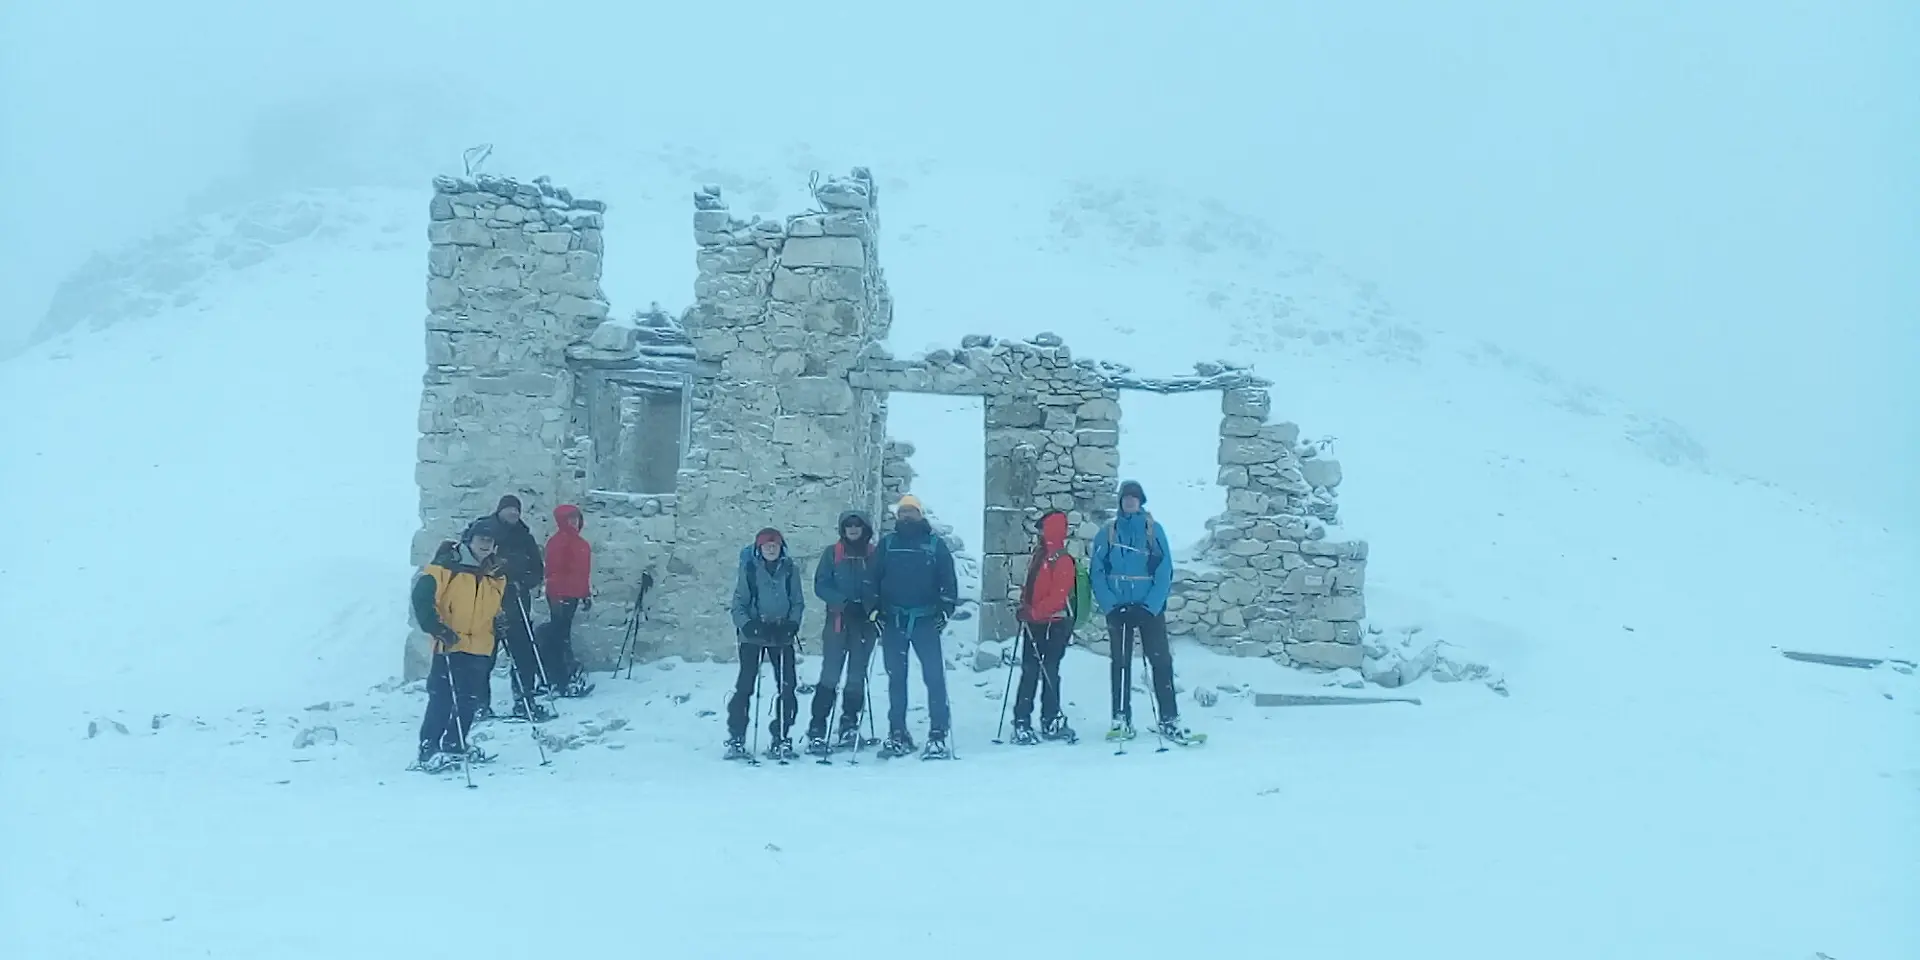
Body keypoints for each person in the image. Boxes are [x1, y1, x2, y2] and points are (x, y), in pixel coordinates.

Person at [1090, 480, 1195, 743]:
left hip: (1149, 609)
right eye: (1126, 497)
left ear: (1141, 501)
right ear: (1120, 501)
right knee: (1121, 664)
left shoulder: (1153, 531)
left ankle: (1169, 718)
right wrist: (1111, 606)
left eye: (1134, 497)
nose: (1130, 501)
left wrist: (1150, 607)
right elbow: (1097, 571)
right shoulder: (1108, 533)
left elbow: (1164, 570)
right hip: (1119, 609)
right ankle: (1121, 718)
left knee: (1160, 662)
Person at [410, 524, 508, 771]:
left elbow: (493, 608)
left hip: (480, 646)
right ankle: (428, 748)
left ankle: (454, 743)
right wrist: (436, 628)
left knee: (469, 700)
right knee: (442, 697)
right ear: (468, 540)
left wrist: (500, 622)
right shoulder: (446, 568)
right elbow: (422, 596)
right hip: (449, 643)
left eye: (490, 541)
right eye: (480, 539)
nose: (485, 545)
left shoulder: (495, 576)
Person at [871, 494, 960, 759]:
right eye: (902, 512)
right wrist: (874, 609)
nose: (906, 516)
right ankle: (898, 733)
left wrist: (945, 610)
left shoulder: (935, 545)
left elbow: (948, 581)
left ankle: (938, 735)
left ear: (920, 515)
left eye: (911, 512)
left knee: (934, 678)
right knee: (896, 679)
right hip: (894, 621)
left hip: (925, 621)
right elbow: (872, 580)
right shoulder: (887, 545)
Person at [467, 495, 551, 722]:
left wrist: (523, 582)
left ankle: (525, 701)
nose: (513, 513)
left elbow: (537, 569)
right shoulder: (485, 531)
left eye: (517, 510)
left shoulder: (525, 537)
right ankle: (478, 705)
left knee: (524, 655)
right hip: (487, 605)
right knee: (483, 655)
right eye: (509, 509)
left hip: (518, 604)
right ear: (500, 510)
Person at [726, 528, 804, 760]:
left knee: (787, 686)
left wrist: (792, 624)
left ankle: (781, 735)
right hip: (754, 634)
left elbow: (797, 602)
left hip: (782, 634)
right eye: (766, 545)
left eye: (775, 545)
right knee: (745, 686)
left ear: (781, 547)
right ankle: (737, 737)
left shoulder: (790, 570)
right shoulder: (749, 569)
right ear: (758, 548)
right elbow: (739, 603)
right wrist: (748, 625)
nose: (771, 548)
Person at [805, 511, 879, 756]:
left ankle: (849, 724)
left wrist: (870, 606)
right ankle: (817, 728)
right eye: (848, 525)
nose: (853, 528)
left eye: (858, 525)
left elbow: (882, 583)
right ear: (843, 529)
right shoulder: (832, 554)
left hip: (865, 624)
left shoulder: (874, 554)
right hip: (838, 622)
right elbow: (821, 584)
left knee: (857, 676)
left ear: (865, 528)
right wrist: (843, 602)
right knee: (830, 675)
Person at [1010, 509, 1080, 745]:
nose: (1039, 532)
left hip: (1054, 624)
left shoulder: (1060, 560)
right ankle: (1033, 720)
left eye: (1042, 528)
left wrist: (1031, 612)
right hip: (1038, 623)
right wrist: (1026, 608)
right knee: (1034, 672)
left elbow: (1058, 598)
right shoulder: (1041, 556)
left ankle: (1038, 719)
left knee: (1045, 671)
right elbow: (1031, 587)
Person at [541, 503, 593, 697]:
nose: (574, 522)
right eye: (570, 518)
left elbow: (583, 574)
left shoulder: (581, 544)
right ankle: (560, 678)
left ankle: (562, 677)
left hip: (573, 595)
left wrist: (585, 594)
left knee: (562, 636)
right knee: (560, 638)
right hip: (560, 595)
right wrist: (555, 597)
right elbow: (552, 572)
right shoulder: (558, 542)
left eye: (576, 518)